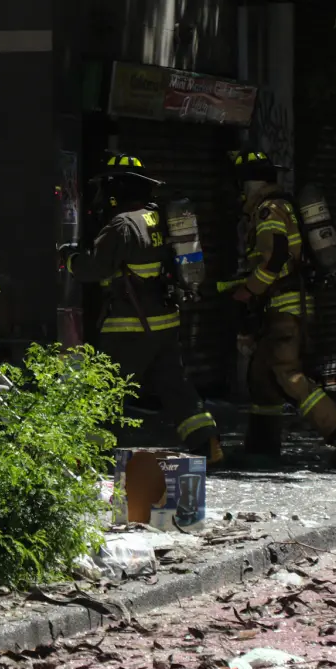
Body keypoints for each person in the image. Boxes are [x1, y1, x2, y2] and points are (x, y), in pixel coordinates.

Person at [62, 154, 224, 466]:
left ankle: (90, 456)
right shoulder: (160, 217)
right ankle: (208, 440)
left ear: (117, 189)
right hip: (165, 323)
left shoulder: (122, 225)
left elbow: (93, 269)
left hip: (130, 326)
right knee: (176, 387)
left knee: (104, 388)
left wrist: (69, 258)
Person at [226, 151, 336, 466]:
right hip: (281, 304)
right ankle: (261, 447)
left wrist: (248, 291)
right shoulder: (278, 205)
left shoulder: (269, 210)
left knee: (287, 373)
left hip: (284, 306)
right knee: (261, 376)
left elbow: (274, 259)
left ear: (249, 183)